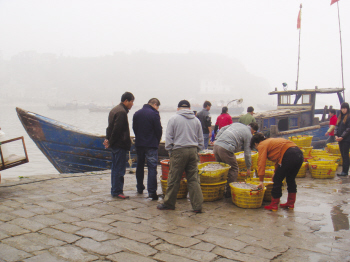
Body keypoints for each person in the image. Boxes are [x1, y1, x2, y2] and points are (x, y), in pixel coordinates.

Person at [157, 100, 204, 213]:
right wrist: (197, 149)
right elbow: (200, 139)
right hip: (193, 151)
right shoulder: (196, 120)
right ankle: (197, 206)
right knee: (193, 179)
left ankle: (169, 203)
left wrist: (169, 150)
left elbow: (169, 137)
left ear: (178, 108)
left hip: (178, 151)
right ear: (189, 108)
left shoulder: (174, 119)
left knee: (174, 178)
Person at [251, 133, 303, 211]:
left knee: (277, 180)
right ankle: (291, 203)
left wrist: (261, 181)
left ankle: (274, 204)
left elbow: (261, 163)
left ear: (256, 143)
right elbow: (279, 158)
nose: (256, 148)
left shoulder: (262, 144)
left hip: (289, 155)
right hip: (299, 154)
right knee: (290, 179)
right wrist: (275, 172)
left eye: (255, 147)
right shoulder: (271, 141)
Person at [214, 122, 259, 197]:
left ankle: (219, 191)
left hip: (216, 146)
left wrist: (216, 139)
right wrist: (248, 167)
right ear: (254, 131)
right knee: (234, 169)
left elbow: (222, 129)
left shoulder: (237, 124)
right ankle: (229, 193)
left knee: (221, 170)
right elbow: (247, 152)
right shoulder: (249, 134)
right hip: (226, 148)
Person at [104, 92, 135, 199]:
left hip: (115, 145)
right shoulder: (122, 112)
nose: (132, 104)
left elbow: (109, 128)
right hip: (120, 145)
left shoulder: (114, 110)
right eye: (131, 101)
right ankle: (118, 191)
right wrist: (111, 142)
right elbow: (116, 130)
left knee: (115, 168)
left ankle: (115, 190)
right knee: (119, 169)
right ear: (126, 101)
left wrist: (108, 140)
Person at [133, 98, 163, 200]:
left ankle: (140, 187)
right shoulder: (154, 114)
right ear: (155, 104)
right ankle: (152, 192)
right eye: (157, 106)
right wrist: (157, 141)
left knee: (140, 166)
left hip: (139, 144)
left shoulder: (137, 113)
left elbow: (134, 128)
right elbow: (158, 130)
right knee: (152, 168)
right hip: (151, 144)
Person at [335, 102, 350, 177]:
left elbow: (348, 129)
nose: (343, 110)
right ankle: (344, 171)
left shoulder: (348, 117)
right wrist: (336, 135)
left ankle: (345, 171)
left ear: (347, 109)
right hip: (340, 139)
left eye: (345, 108)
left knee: (345, 155)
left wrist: (342, 137)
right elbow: (336, 127)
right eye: (342, 108)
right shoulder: (340, 117)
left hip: (346, 140)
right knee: (343, 155)